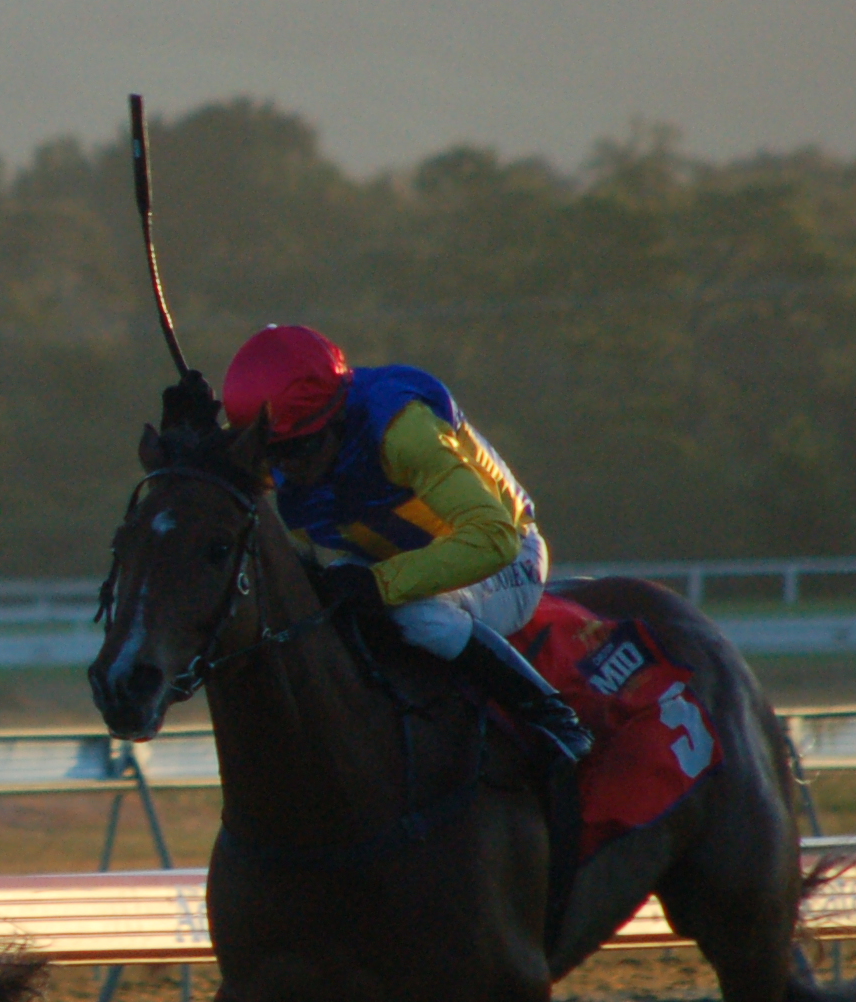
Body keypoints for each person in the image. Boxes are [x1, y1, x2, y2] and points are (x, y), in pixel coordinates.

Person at [222, 325, 593, 773]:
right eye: (273, 453)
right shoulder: (289, 443)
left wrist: (381, 584)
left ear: (335, 418)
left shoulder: (402, 429)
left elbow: (493, 538)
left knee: (417, 618)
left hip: (506, 557)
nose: (286, 469)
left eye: (298, 449)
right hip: (390, 560)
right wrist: (191, 438)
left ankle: (552, 714)